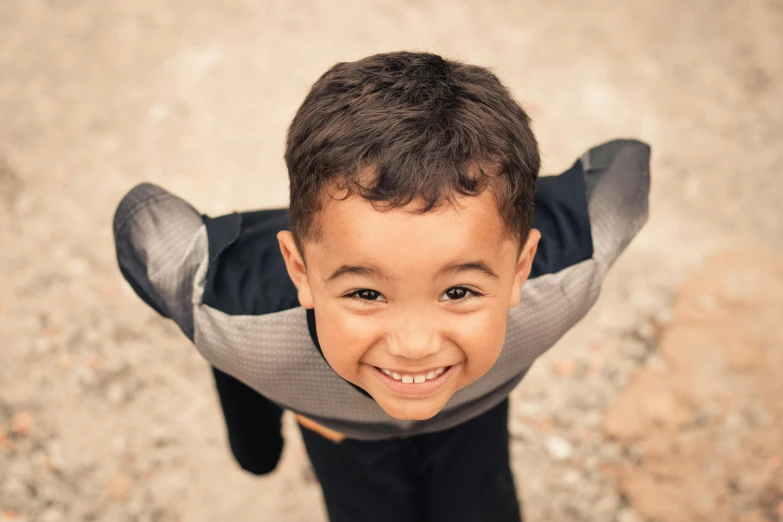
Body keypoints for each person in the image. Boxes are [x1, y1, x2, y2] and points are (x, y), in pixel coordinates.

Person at [112, 51, 650, 522]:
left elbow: (629, 165)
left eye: (459, 291)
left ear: (520, 269)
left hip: (468, 414)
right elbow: (142, 222)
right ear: (299, 271)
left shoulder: (557, 282)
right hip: (337, 424)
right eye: (366, 292)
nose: (414, 346)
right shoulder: (240, 322)